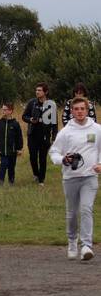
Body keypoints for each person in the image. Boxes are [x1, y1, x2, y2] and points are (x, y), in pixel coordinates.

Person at [49, 96, 101, 261]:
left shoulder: (97, 129)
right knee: (72, 213)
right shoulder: (66, 132)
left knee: (86, 209)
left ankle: (86, 245)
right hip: (70, 177)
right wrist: (62, 159)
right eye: (76, 109)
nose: (79, 112)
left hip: (90, 177)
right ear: (72, 111)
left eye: (82, 109)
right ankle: (72, 241)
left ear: (88, 110)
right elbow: (54, 152)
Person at [22, 83, 58, 185]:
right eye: (36, 90)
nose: (37, 92)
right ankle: (36, 174)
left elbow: (54, 123)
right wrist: (31, 119)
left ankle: (41, 180)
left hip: (45, 135)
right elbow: (24, 116)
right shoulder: (32, 103)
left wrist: (54, 137)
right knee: (33, 157)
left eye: (40, 90)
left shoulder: (51, 105)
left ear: (45, 92)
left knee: (42, 158)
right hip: (32, 135)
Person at [0, 103, 24, 185]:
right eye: (2, 109)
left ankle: (11, 181)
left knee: (11, 166)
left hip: (12, 150)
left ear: (10, 111)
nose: (3, 111)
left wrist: (19, 149)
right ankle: (0, 181)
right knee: (3, 164)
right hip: (2, 149)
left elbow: (19, 137)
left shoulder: (15, 124)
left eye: (5, 109)